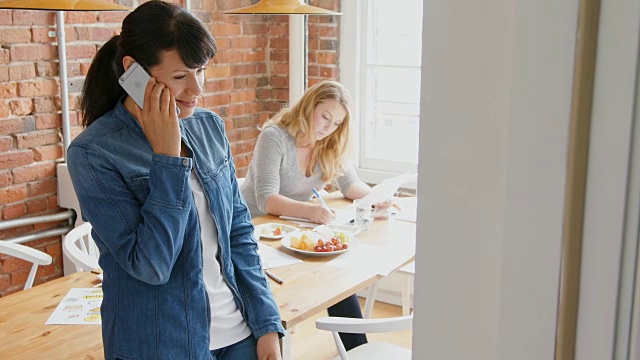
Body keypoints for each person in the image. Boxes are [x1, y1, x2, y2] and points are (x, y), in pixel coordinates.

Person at [67, 2, 283, 359]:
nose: (196, 88)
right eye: (180, 76)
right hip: (161, 345)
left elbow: (238, 233)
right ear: (133, 71)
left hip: (240, 334)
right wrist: (167, 158)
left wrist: (266, 322)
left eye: (201, 71)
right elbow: (150, 266)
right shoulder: (93, 154)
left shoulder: (208, 127)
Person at [240, 80, 390, 351]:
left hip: (293, 228)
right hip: (255, 228)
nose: (328, 128)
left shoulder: (329, 142)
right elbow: (266, 198)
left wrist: (376, 197)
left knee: (336, 275)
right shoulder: (275, 137)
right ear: (309, 106)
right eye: (325, 117)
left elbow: (350, 184)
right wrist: (311, 211)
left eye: (336, 123)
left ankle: (357, 352)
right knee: (304, 284)